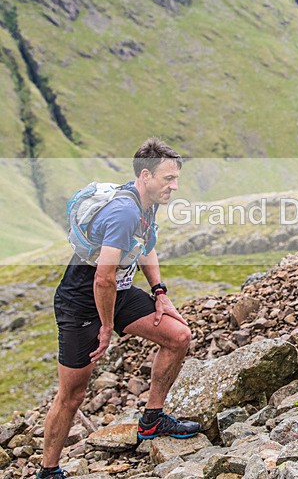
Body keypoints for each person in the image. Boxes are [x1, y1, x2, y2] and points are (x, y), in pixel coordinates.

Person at [37, 138, 199, 479]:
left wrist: (159, 292)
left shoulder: (147, 202)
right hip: (82, 301)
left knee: (178, 336)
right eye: (169, 178)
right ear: (145, 175)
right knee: (73, 394)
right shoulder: (123, 211)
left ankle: (152, 420)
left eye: (176, 178)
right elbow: (102, 279)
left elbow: (145, 247)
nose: (175, 185)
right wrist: (107, 328)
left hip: (118, 292)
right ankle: (47, 471)